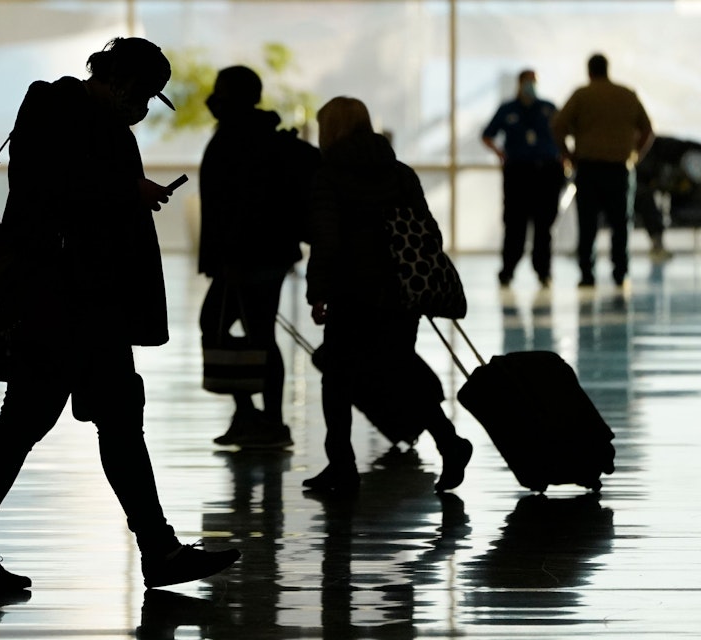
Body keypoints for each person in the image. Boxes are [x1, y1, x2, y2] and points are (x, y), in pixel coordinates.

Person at [0, 37, 241, 591]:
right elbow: (58, 187)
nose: (144, 107)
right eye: (143, 93)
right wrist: (129, 190)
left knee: (79, 419)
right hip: (66, 299)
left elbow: (56, 187)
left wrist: (127, 192)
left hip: (76, 300)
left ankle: (153, 548)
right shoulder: (61, 110)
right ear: (120, 81)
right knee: (66, 420)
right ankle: (153, 550)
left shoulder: (68, 115)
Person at [303, 96, 473, 494]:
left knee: (338, 378)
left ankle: (342, 466)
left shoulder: (329, 175)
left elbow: (326, 240)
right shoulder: (399, 172)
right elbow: (428, 231)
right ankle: (449, 442)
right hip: (400, 290)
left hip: (352, 291)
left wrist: (318, 291)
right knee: (399, 370)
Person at [198, 65, 319, 448]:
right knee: (256, 332)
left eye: (220, 90)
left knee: (242, 330)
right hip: (264, 254)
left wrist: (228, 257)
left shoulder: (242, 137)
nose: (214, 97)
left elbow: (241, 206)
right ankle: (258, 417)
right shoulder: (256, 133)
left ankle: (263, 419)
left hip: (248, 257)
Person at [552, 53, 654, 287]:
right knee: (621, 223)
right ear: (608, 69)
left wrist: (567, 154)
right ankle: (621, 272)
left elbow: (558, 126)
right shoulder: (627, 95)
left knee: (587, 223)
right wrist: (635, 154)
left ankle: (587, 273)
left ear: (589, 71)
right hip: (620, 168)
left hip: (589, 168)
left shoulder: (582, 95)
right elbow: (648, 129)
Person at [481, 69, 565, 287]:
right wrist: (500, 153)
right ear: (519, 84)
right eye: (527, 82)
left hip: (546, 172)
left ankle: (544, 271)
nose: (530, 86)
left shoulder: (548, 108)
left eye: (534, 82)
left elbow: (563, 133)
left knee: (544, 225)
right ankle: (508, 270)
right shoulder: (508, 109)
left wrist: (564, 156)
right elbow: (487, 135)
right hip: (518, 172)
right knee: (514, 224)